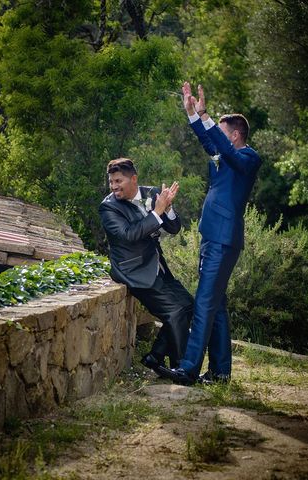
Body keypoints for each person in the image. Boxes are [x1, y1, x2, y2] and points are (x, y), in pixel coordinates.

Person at [159, 82, 262, 385]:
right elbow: (211, 144)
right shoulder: (225, 154)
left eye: (220, 128)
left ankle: (188, 369)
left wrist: (205, 116)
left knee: (204, 302)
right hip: (211, 237)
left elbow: (226, 152)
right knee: (216, 306)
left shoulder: (248, 158)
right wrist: (193, 116)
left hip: (223, 238)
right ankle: (219, 373)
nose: (216, 131)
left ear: (234, 134)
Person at [99, 158, 194, 374]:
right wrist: (156, 212)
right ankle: (182, 368)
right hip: (133, 271)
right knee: (175, 312)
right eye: (111, 182)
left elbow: (175, 228)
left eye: (118, 181)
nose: (114, 187)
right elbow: (129, 235)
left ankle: (155, 357)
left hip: (157, 266)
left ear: (134, 179)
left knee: (188, 305)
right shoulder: (108, 207)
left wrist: (167, 208)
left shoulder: (152, 194)